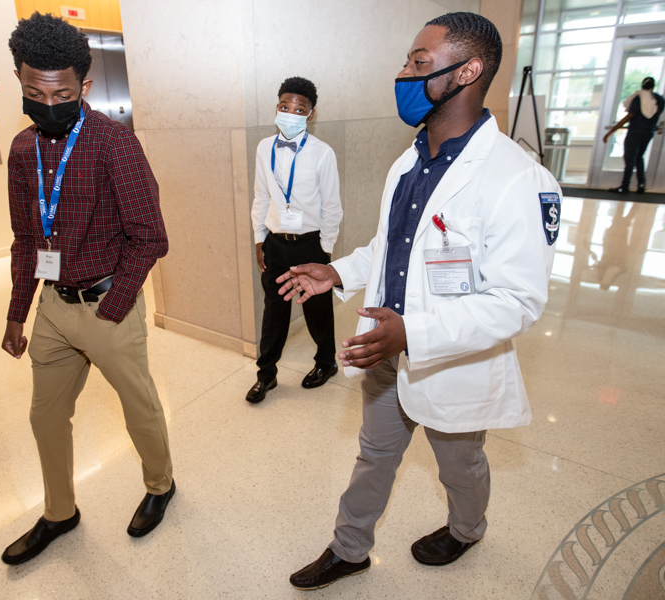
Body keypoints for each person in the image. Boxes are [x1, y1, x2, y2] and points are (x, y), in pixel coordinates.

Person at [277, 12, 559, 590]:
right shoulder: (408, 161)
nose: (403, 73)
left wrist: (416, 334)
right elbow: (389, 248)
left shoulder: (514, 177)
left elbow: (518, 300)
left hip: (451, 360)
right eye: (408, 60)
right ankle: (349, 547)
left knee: (460, 467)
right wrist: (336, 271)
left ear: (468, 72)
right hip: (386, 349)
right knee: (373, 455)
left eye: (419, 63)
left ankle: (466, 528)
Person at [0, 12, 174, 565]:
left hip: (108, 303)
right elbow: (25, 236)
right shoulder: (23, 150)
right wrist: (16, 314)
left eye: (63, 93)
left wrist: (115, 308)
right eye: (35, 92)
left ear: (85, 88)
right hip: (52, 307)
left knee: (138, 405)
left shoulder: (114, 145)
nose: (49, 103)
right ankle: (59, 512)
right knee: (44, 416)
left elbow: (150, 238)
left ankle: (160, 485)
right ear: (20, 84)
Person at [246, 77, 344, 404]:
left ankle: (326, 362)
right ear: (277, 108)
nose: (290, 112)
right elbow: (261, 196)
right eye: (284, 106)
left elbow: (332, 206)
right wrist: (260, 237)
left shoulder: (322, 154)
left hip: (309, 244)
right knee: (274, 310)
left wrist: (324, 251)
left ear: (310, 114)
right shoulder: (264, 148)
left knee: (317, 308)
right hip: (275, 243)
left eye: (299, 108)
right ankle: (266, 375)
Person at [604, 77, 665, 194]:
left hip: (635, 132)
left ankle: (625, 186)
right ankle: (641, 184)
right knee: (639, 157)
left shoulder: (639, 98)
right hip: (648, 132)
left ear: (642, 85)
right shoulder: (659, 99)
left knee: (629, 158)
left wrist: (612, 130)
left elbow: (629, 115)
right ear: (652, 86)